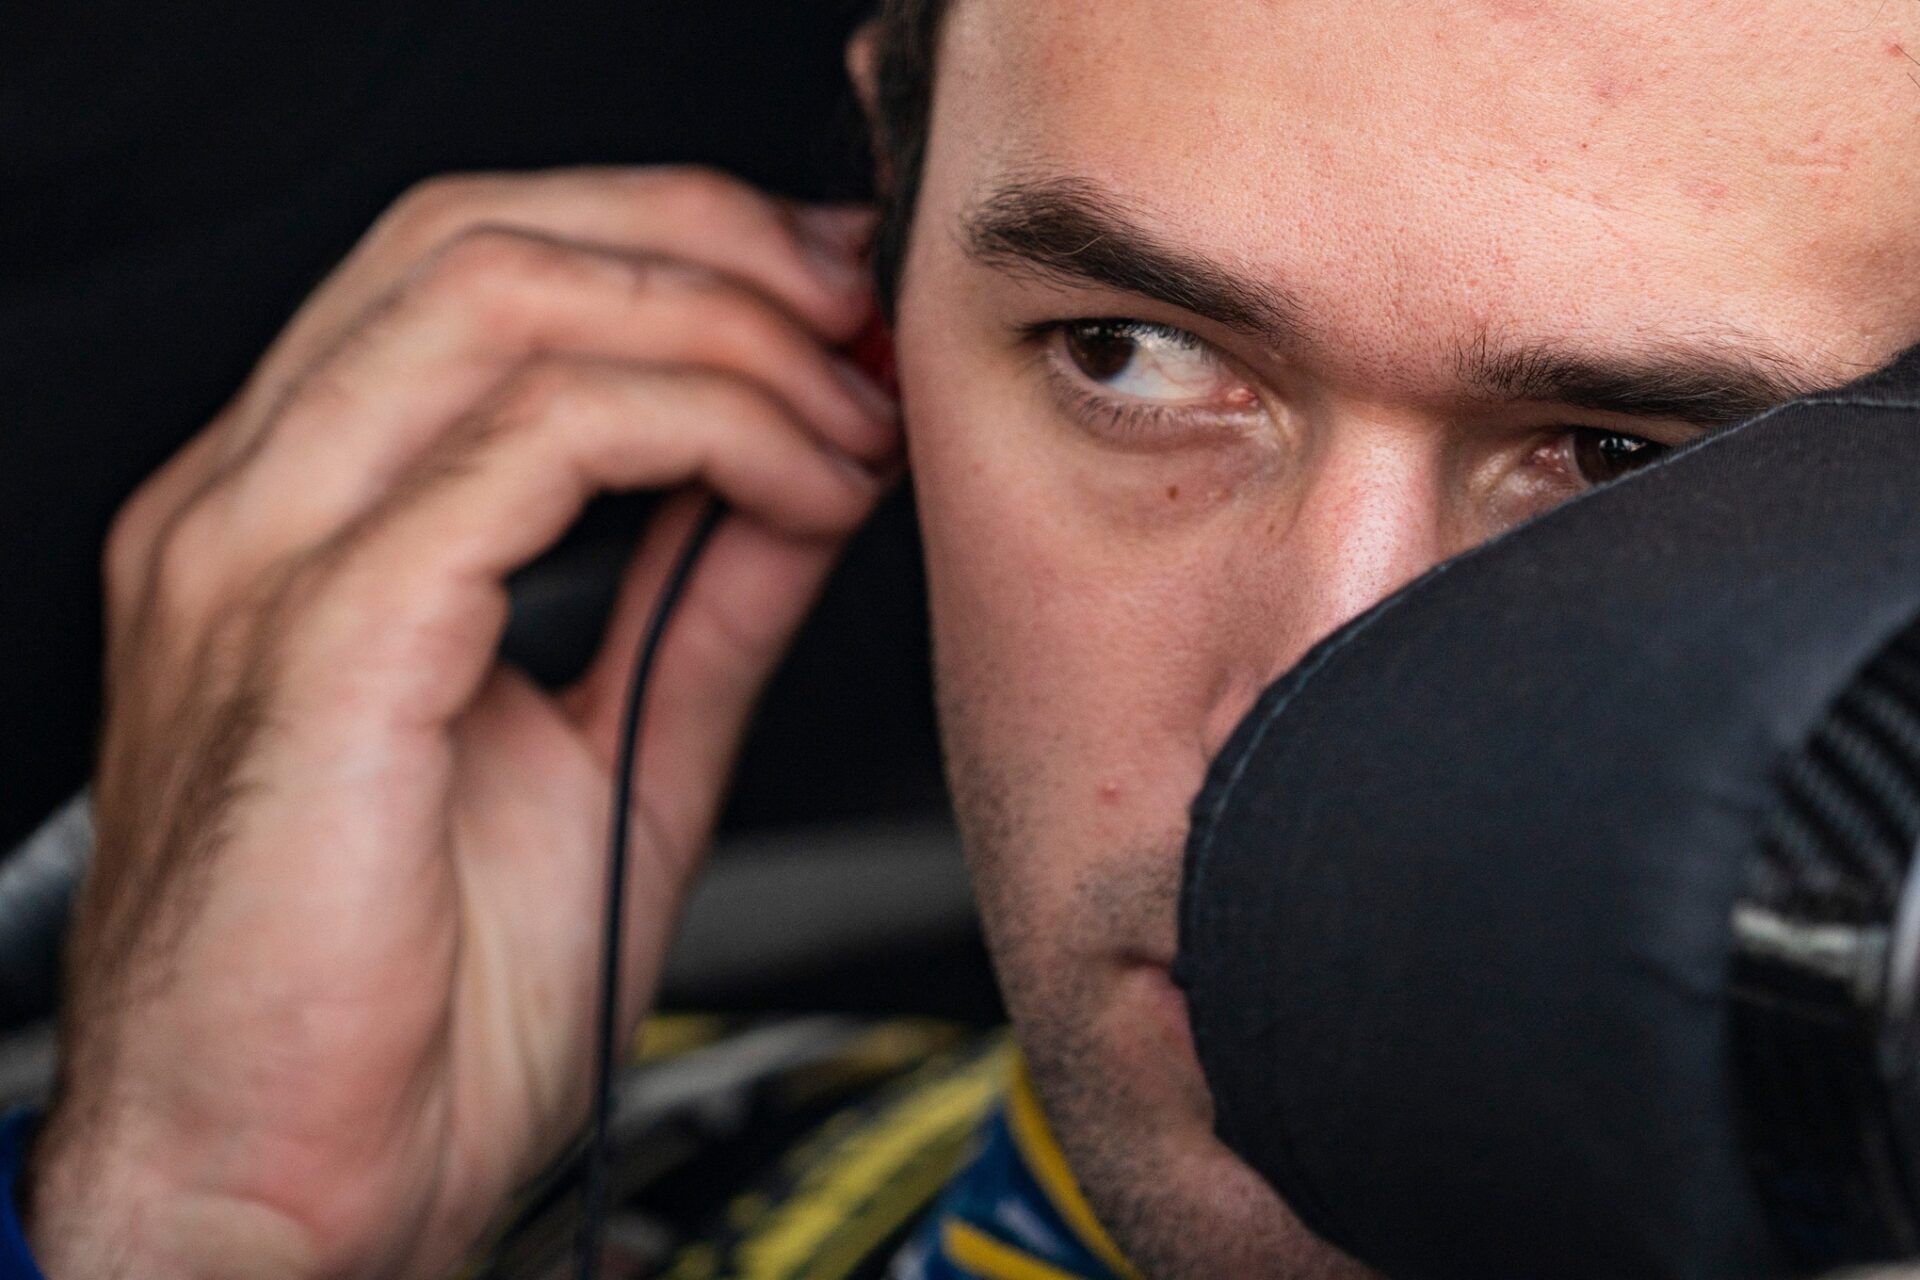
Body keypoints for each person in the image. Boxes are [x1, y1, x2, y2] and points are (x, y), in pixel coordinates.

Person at [7, 0, 1920, 1276]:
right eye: (1131, 355)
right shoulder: (532, 1169)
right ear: (883, 264)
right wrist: (209, 1228)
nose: (1295, 722)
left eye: (1621, 457)